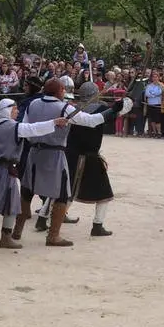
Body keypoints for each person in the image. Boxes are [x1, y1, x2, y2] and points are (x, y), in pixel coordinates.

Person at [0, 98, 75, 248]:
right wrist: (54, 122)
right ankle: (6, 238)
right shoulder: (13, 127)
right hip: (4, 171)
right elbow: (33, 129)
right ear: (7, 110)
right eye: (14, 109)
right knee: (12, 204)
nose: (17, 112)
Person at [60, 81, 133, 236]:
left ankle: (44, 218)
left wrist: (119, 105)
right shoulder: (101, 110)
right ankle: (97, 225)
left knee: (65, 190)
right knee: (104, 194)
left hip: (71, 154)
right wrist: (126, 102)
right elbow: (120, 111)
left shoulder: (72, 109)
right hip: (90, 157)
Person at [17, 78, 75, 246]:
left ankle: (16, 231)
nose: (64, 93)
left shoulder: (33, 104)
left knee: (27, 191)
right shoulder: (64, 108)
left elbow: (25, 129)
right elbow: (91, 120)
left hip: (34, 152)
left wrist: (36, 140)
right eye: (63, 90)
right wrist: (113, 111)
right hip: (54, 155)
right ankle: (53, 236)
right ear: (58, 91)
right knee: (62, 194)